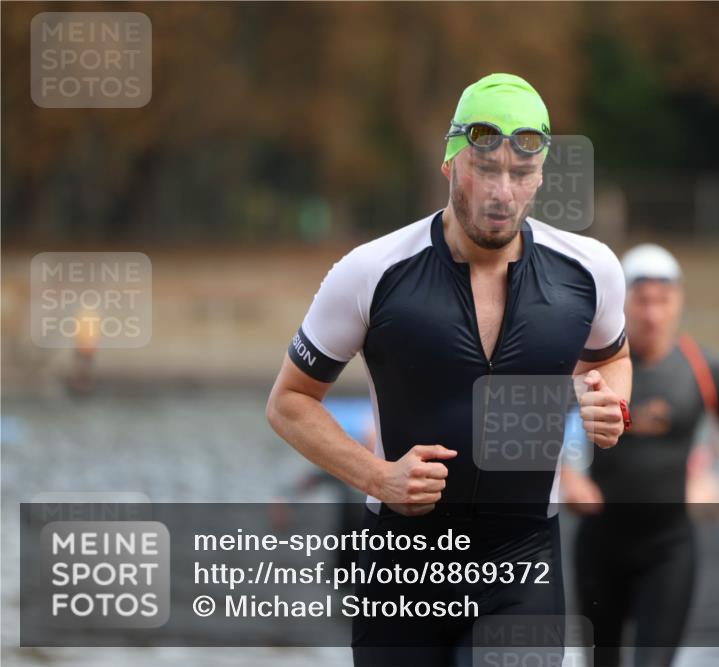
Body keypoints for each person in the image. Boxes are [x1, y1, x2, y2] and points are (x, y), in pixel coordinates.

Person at [266, 73, 633, 666]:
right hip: (400, 566)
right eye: (485, 169)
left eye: (519, 174)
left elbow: (612, 358)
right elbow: (289, 402)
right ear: (449, 165)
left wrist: (612, 406)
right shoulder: (372, 272)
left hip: (521, 564)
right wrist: (377, 477)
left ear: (540, 177)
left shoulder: (589, 271)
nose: (502, 192)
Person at [560, 243, 719, 667]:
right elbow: (527, 426)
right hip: (600, 547)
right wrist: (565, 477)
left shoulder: (703, 369)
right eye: (642, 300)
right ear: (621, 303)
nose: (652, 314)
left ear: (679, 302)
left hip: (669, 550)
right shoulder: (588, 368)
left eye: (663, 300)